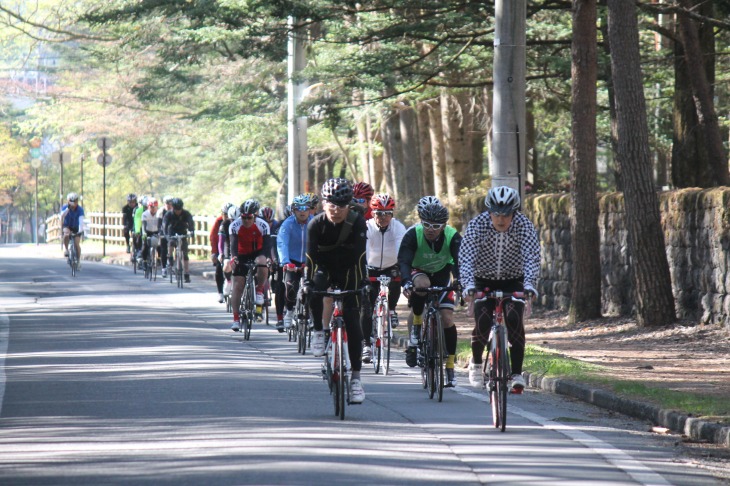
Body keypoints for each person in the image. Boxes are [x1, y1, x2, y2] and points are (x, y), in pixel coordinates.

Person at [459, 186, 540, 393]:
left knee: (513, 319)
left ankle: (516, 373)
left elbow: (531, 257)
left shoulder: (523, 225)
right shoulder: (478, 225)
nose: (501, 220)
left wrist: (529, 284)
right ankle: (477, 363)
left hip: (514, 279)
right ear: (489, 212)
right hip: (482, 279)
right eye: (496, 214)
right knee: (484, 320)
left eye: (506, 215)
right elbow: (466, 257)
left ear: (514, 212)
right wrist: (468, 285)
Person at [305, 178, 368, 404]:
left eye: (341, 205)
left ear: (348, 205)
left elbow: (361, 258)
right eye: (331, 204)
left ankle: (356, 380)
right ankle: (319, 331)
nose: (336, 210)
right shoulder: (316, 224)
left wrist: (363, 284)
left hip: (350, 270)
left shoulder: (357, 222)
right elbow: (310, 258)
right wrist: (306, 282)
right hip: (324, 268)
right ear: (323, 204)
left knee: (353, 321)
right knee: (313, 288)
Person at [398, 196, 462, 388]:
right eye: (427, 225)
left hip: (443, 274)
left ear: (444, 225)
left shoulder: (452, 235)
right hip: (419, 272)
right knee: (422, 284)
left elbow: (460, 261)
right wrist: (406, 281)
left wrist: (460, 281)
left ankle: (450, 366)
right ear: (421, 222)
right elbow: (404, 261)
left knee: (447, 318)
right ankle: (417, 325)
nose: (431, 230)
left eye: (436, 226)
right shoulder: (413, 234)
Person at [361, 193, 406, 363]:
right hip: (371, 268)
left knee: (396, 281)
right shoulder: (367, 227)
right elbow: (363, 250)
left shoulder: (397, 227)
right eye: (379, 213)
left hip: (390, 266)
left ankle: (392, 309)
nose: (384, 217)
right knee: (366, 307)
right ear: (372, 213)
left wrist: (402, 268)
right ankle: (366, 344)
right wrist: (363, 271)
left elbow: (400, 248)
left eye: (388, 213)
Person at [229, 199, 271, 331]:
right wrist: (234, 258)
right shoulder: (235, 225)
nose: (246, 220)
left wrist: (267, 258)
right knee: (238, 285)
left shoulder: (263, 225)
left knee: (262, 261)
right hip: (241, 254)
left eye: (249, 217)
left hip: (257, 252)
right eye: (244, 217)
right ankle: (236, 319)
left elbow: (266, 247)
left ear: (255, 215)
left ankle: (259, 290)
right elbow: (233, 245)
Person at [277, 194, 312, 331]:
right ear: (293, 210)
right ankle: (289, 312)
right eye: (298, 208)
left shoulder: (314, 222)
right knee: (290, 287)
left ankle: (311, 317)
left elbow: (319, 243)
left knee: (312, 290)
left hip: (308, 261)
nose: (302, 211)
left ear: (309, 210)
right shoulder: (288, 224)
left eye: (305, 208)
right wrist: (286, 262)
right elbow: (282, 243)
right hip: (292, 260)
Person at [259, 206, 284, 330]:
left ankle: (271, 287)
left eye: (270, 221)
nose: (268, 224)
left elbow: (274, 245)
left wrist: (273, 259)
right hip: (260, 250)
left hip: (272, 250)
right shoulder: (258, 225)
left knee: (274, 271)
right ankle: (258, 302)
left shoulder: (276, 225)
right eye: (265, 221)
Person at [163, 197, 195, 283]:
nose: (178, 211)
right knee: (171, 243)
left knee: (185, 254)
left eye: (179, 209)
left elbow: (191, 223)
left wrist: (191, 232)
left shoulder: (186, 213)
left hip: (182, 233)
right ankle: (169, 258)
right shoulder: (168, 214)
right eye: (176, 209)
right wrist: (166, 235)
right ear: (173, 208)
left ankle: (186, 274)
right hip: (172, 232)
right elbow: (164, 225)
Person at [211, 203, 234, 303]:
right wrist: (215, 253)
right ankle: (220, 292)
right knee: (219, 267)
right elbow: (214, 237)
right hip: (223, 244)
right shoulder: (220, 221)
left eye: (227, 214)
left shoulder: (235, 220)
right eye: (224, 214)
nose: (226, 217)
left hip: (233, 245)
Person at [61, 192, 84, 260]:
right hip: (67, 226)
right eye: (71, 201)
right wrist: (68, 208)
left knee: (77, 243)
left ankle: (78, 260)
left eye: (75, 201)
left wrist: (80, 230)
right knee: (66, 235)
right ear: (68, 201)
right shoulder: (65, 207)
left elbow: (81, 221)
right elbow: (62, 216)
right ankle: (66, 249)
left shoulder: (80, 209)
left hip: (76, 227)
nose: (73, 203)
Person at [141, 198, 163, 270]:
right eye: (151, 207)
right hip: (147, 231)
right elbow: (144, 225)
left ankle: (159, 258)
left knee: (159, 244)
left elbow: (161, 224)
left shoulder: (159, 213)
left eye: (155, 207)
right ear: (148, 207)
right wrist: (144, 233)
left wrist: (161, 232)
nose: (153, 209)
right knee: (145, 245)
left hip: (156, 231)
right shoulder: (145, 214)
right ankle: (144, 261)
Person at [159, 195, 173, 277]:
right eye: (167, 203)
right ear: (164, 204)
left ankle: (172, 263)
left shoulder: (174, 211)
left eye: (171, 204)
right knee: (163, 249)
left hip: (172, 231)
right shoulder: (161, 211)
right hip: (163, 231)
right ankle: (163, 268)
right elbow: (159, 224)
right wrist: (161, 233)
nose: (169, 205)